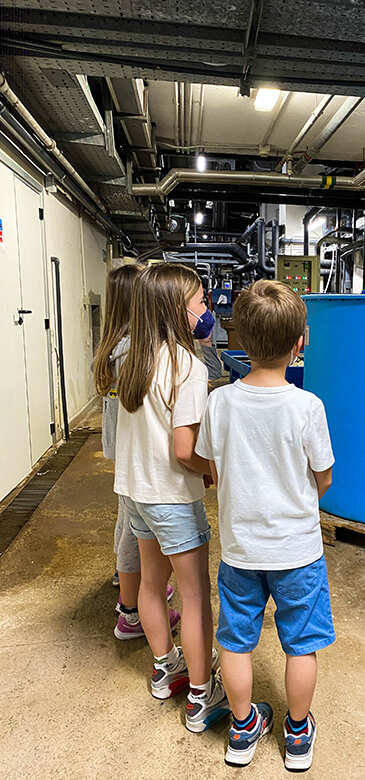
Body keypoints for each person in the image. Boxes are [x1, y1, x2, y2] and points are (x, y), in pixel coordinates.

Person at [195, 280, 335, 771]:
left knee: (234, 639)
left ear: (240, 341)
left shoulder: (219, 402)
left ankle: (242, 729)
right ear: (301, 342)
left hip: (240, 551)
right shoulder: (307, 406)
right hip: (298, 551)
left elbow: (208, 465)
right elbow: (324, 478)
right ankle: (297, 736)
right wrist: (297, 504)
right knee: (302, 643)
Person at [115, 263, 229, 732]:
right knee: (196, 596)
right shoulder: (187, 365)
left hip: (137, 494)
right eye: (201, 302)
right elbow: (185, 450)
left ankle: (166, 670)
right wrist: (212, 470)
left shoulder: (135, 358)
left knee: (149, 584)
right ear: (179, 312)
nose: (207, 311)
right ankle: (203, 695)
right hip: (172, 501)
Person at [93, 263, 179, 640]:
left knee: (127, 520)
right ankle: (132, 610)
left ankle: (130, 582)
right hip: (136, 456)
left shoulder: (113, 346)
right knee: (133, 528)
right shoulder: (134, 351)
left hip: (122, 452)